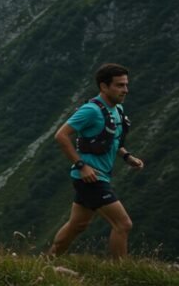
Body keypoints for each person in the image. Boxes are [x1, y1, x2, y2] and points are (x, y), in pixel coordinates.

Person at [49, 63, 145, 259]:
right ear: (103, 86)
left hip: (99, 177)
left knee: (78, 225)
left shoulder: (117, 109)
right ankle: (120, 274)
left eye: (126, 85)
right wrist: (82, 166)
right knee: (123, 224)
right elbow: (61, 136)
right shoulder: (91, 110)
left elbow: (111, 140)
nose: (125, 90)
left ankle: (47, 260)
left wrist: (127, 157)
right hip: (90, 178)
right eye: (119, 85)